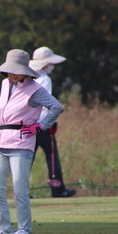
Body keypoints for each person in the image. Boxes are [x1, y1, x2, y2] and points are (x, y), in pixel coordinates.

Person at [0, 50, 63, 234]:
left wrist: (40, 126)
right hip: (1, 140)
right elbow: (1, 108)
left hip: (22, 141)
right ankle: (3, 228)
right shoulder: (4, 84)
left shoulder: (36, 89)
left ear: (26, 71)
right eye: (9, 70)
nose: (11, 74)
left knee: (19, 188)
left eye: (16, 71)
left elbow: (56, 107)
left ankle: (24, 230)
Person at [29, 46, 76, 198]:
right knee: (51, 154)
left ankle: (21, 190)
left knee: (27, 157)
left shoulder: (27, 76)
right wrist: (50, 122)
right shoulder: (44, 79)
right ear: (45, 64)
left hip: (27, 123)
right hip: (42, 124)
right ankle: (58, 189)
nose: (52, 66)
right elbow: (46, 105)